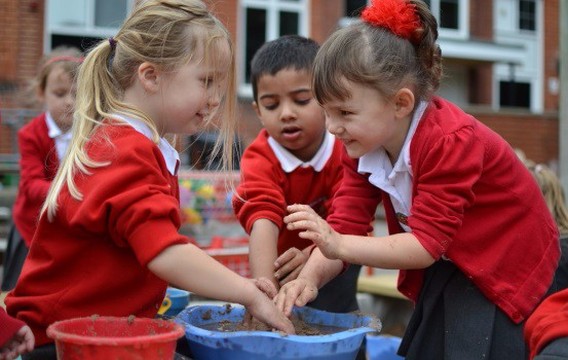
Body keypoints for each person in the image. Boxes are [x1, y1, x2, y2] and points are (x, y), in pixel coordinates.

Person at [6, 1, 293, 358]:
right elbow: (164, 252)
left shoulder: (129, 143)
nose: (216, 99)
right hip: (65, 342)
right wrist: (246, 292)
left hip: (91, 332)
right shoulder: (127, 150)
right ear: (151, 75)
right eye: (206, 81)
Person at [275, 0, 560, 359]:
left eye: (344, 112)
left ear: (401, 103)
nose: (332, 128)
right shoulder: (363, 146)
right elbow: (344, 225)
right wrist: (308, 279)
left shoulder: (449, 142)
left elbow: (424, 246)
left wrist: (338, 244)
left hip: (508, 268)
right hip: (456, 262)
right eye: (326, 112)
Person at [233, 35, 361, 313]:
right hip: (281, 265)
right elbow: (262, 219)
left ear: (327, 99)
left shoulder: (346, 151)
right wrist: (263, 297)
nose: (286, 113)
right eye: (271, 105)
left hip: (337, 259)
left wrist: (313, 256)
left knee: (337, 322)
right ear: (258, 111)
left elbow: (350, 219)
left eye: (301, 100)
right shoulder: (259, 158)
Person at [1, 47, 83, 292]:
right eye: (59, 94)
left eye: (76, 94)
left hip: (69, 227)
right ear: (41, 93)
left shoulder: (90, 134)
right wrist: (72, 193)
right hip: (32, 226)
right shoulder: (30, 134)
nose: (69, 101)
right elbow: (31, 184)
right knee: (22, 290)